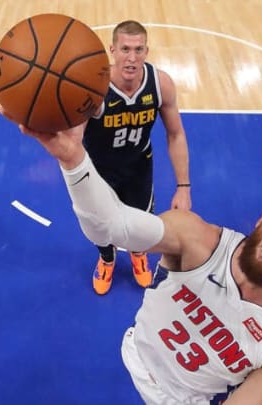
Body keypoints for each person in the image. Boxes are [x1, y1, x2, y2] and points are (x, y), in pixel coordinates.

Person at [2, 112, 262, 404]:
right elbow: (110, 226)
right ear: (261, 220)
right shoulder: (196, 237)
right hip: (132, 352)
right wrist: (73, 160)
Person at [84, 20, 192, 295]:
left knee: (141, 222)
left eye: (138, 49)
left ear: (147, 50)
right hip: (98, 170)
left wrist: (183, 187)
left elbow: (176, 134)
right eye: (125, 49)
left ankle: (137, 254)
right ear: (112, 50)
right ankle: (107, 259)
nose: (131, 58)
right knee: (100, 224)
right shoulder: (94, 88)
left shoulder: (160, 84)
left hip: (138, 167)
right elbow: (73, 139)